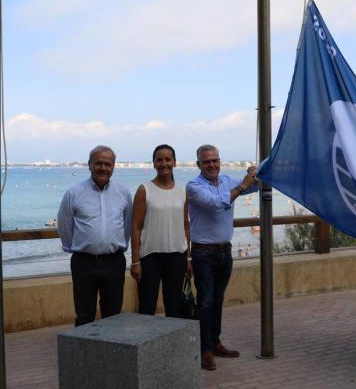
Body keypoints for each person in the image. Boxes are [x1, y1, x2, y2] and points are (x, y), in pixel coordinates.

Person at [187, 144, 259, 371]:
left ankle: (215, 342)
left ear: (220, 161)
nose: (212, 165)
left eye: (215, 160)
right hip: (203, 252)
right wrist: (243, 185)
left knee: (217, 300)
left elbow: (254, 187)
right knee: (205, 301)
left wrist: (254, 175)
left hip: (224, 251)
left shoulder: (228, 181)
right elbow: (217, 205)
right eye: (206, 161)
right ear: (199, 164)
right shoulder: (194, 186)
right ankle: (205, 350)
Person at [57, 145, 132, 326]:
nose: (103, 168)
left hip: (114, 262)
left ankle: (110, 354)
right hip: (84, 263)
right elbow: (64, 225)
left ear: (113, 166)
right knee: (84, 315)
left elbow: (127, 224)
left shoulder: (123, 193)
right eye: (99, 163)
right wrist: (73, 247)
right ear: (89, 165)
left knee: (113, 314)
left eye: (108, 164)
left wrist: (120, 245)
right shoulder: (74, 193)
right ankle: (83, 354)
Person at [130, 144, 192, 317]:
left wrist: (189, 257)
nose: (163, 163)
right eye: (159, 160)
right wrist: (135, 262)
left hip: (177, 257)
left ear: (174, 162)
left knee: (174, 308)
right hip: (150, 258)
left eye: (167, 159)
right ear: (154, 164)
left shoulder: (182, 192)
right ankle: (146, 344)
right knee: (147, 307)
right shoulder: (145, 190)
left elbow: (186, 226)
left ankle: (172, 344)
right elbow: (135, 227)